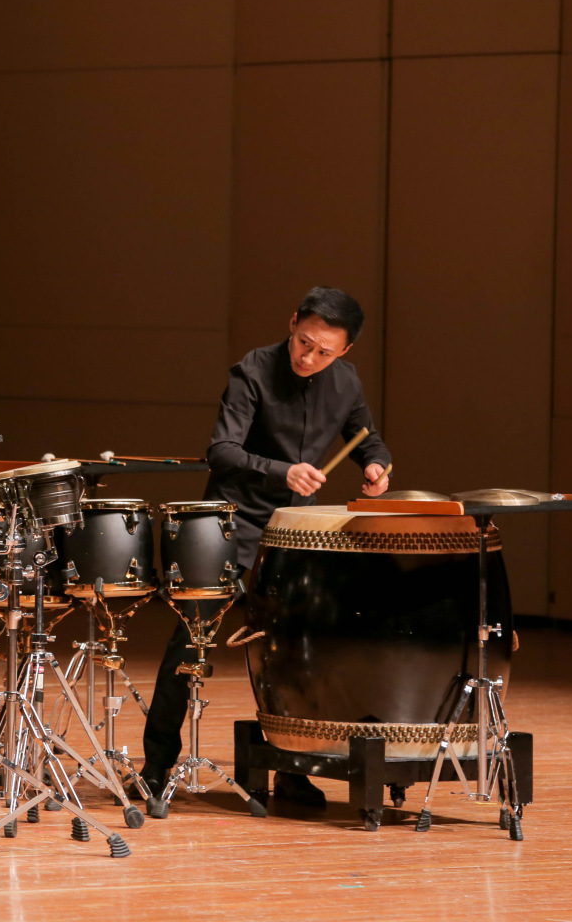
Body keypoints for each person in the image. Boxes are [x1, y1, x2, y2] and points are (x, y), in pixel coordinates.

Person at [141, 286, 392, 807]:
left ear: (345, 351)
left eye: (325, 352)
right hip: (229, 526)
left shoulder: (345, 381)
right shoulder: (252, 371)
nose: (309, 357)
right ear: (293, 322)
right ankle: (155, 767)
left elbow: (366, 435)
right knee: (188, 646)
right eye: (304, 343)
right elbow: (222, 450)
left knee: (296, 656)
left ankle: (294, 768)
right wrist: (283, 471)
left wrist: (376, 464)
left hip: (293, 534)